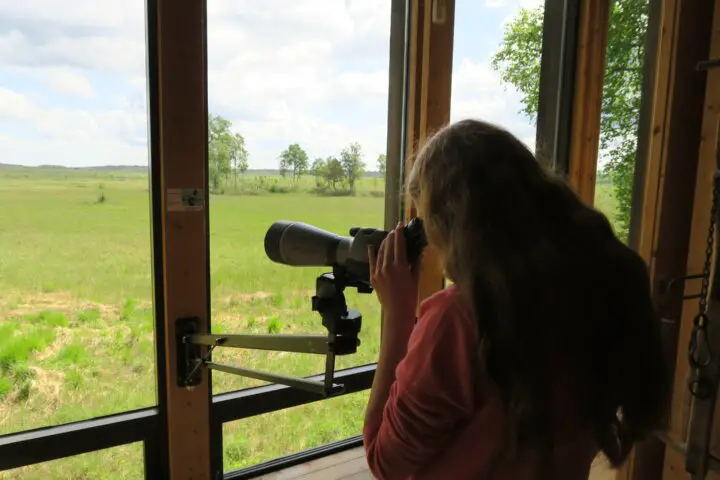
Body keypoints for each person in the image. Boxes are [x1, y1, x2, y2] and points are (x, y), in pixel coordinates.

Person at [362, 119, 669, 480]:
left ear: (451, 224)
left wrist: (398, 316)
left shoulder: (459, 320)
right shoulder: (594, 286)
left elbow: (386, 463)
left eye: (427, 221)